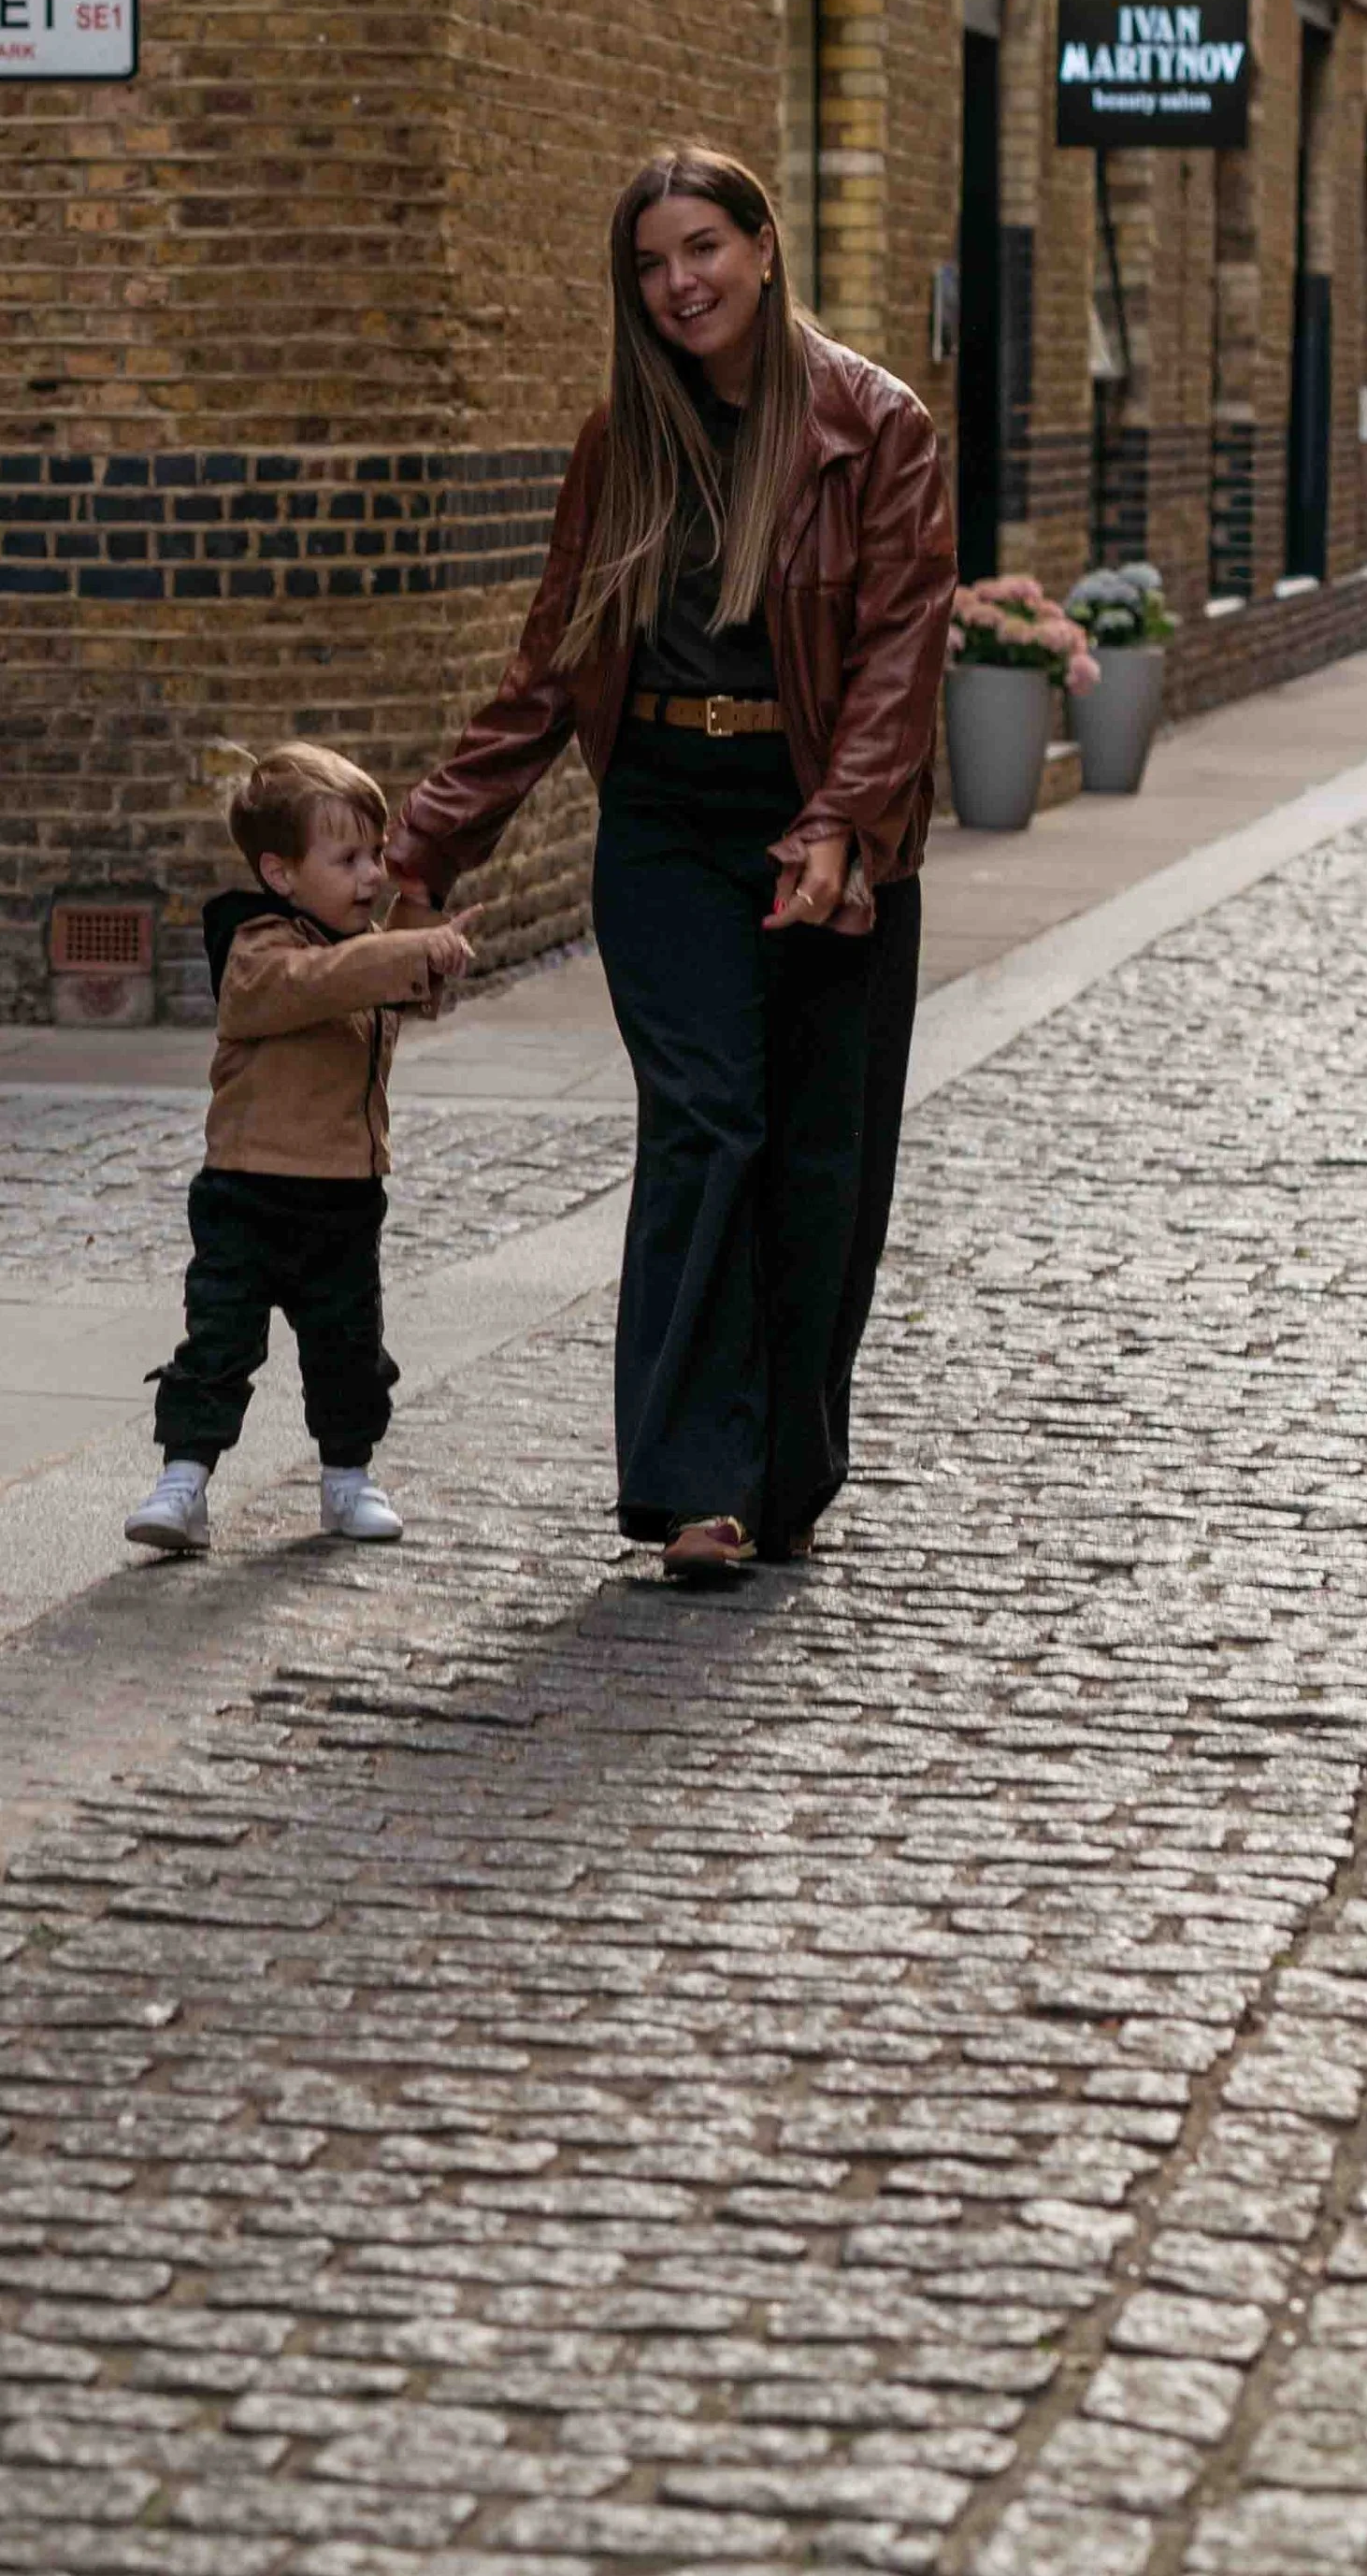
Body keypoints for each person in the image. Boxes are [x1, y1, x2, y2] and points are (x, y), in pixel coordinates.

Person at [384, 146, 956, 1582]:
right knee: (709, 1125)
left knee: (821, 1159)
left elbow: (900, 657)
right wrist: (428, 841)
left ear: (765, 248)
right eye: (649, 264)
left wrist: (838, 825)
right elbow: (551, 664)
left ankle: (785, 1473)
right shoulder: (620, 442)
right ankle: (697, 1487)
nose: (678, 283)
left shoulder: (875, 428)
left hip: (824, 820)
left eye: (701, 248)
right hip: (665, 828)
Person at [126, 741, 473, 1558]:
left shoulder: (362, 952)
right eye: (348, 858)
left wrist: (434, 945)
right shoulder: (256, 948)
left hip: (345, 1197)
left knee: (349, 1350)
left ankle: (348, 1478)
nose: (371, 876)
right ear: (281, 873)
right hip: (245, 1195)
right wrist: (402, 950)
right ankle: (183, 1480)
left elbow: (393, 985)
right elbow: (317, 983)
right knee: (218, 1344)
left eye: (377, 855)